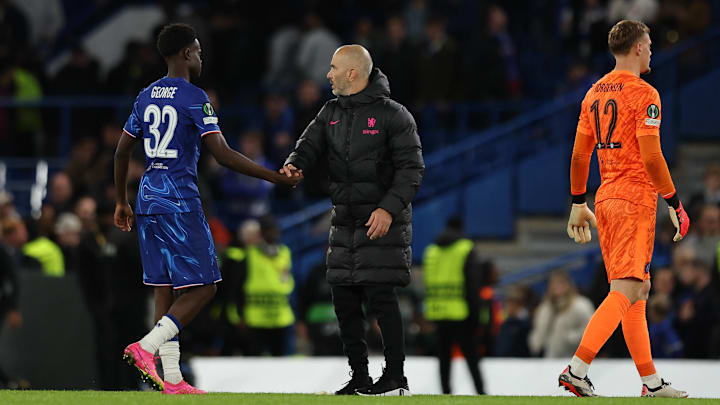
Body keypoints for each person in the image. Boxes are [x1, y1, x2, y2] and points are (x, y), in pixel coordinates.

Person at [114, 23, 301, 395]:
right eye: (198, 50)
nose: (201, 57)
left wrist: (121, 201)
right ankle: (146, 347)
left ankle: (172, 379)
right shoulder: (194, 97)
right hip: (179, 199)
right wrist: (274, 177)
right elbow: (222, 154)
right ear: (186, 53)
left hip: (148, 197)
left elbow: (121, 151)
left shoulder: (146, 96)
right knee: (205, 288)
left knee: (165, 288)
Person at [281, 44, 424, 396]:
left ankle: (395, 378)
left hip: (381, 224)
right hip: (343, 222)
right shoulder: (330, 111)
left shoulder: (394, 115)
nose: (327, 74)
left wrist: (388, 209)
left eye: (333, 68)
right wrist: (294, 164)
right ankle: (360, 376)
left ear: (352, 73)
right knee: (343, 301)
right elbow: (308, 145)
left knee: (381, 298)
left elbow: (412, 170)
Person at [561, 20, 689, 398]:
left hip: (606, 198)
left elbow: (579, 155)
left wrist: (578, 202)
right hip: (635, 199)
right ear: (637, 47)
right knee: (626, 289)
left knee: (638, 289)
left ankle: (651, 382)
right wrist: (674, 201)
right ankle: (577, 369)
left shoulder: (593, 93)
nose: (651, 50)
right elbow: (651, 157)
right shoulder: (645, 94)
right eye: (649, 44)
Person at [422, 217, 485, 394]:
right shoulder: (465, 249)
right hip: (461, 312)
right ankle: (480, 392)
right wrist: (476, 314)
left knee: (444, 356)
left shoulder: (431, 251)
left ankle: (446, 392)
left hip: (438, 311)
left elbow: (428, 282)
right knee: (471, 355)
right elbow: (472, 285)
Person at [220, 215, 295, 356]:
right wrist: (238, 316)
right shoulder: (247, 254)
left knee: (280, 362)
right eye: (269, 230)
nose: (274, 234)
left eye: (275, 230)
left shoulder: (285, 252)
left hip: (281, 318)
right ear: (261, 233)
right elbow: (236, 288)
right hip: (255, 320)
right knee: (254, 362)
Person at [528, 271, 594, 358]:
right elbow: (538, 330)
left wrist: (570, 338)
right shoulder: (545, 307)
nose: (557, 287)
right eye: (554, 284)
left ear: (569, 285)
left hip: (574, 356)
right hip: (549, 356)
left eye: (561, 283)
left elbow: (591, 329)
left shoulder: (580, 305)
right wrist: (536, 343)